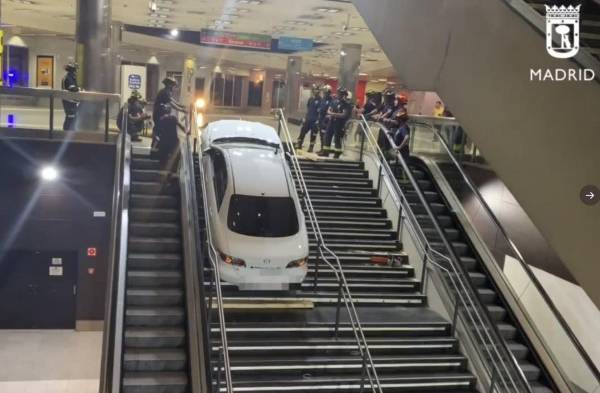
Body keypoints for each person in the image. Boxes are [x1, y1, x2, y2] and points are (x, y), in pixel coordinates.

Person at [319, 88, 352, 159]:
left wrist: (333, 114)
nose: (339, 95)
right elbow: (328, 111)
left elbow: (344, 114)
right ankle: (325, 152)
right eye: (338, 93)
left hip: (339, 123)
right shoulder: (334, 102)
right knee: (327, 136)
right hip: (331, 122)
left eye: (341, 94)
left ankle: (337, 153)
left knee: (337, 138)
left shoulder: (346, 104)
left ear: (344, 95)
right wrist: (335, 114)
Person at [153, 77, 186, 146]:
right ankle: (155, 145)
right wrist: (181, 109)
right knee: (160, 129)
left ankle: (159, 143)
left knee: (167, 127)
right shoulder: (164, 92)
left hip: (163, 114)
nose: (174, 87)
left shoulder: (167, 92)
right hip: (159, 115)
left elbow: (172, 100)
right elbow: (171, 103)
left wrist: (180, 106)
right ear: (168, 84)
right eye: (173, 85)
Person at [295, 84, 322, 152]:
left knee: (313, 134)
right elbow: (308, 109)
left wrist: (318, 120)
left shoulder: (320, 100)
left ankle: (311, 147)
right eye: (314, 90)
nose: (316, 91)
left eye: (317, 90)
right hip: (308, 119)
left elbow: (320, 112)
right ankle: (299, 144)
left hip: (315, 120)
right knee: (302, 132)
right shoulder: (310, 99)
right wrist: (305, 117)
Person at [61, 62, 80, 131]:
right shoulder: (69, 77)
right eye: (76, 69)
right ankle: (67, 131)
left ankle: (67, 131)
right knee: (70, 117)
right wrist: (80, 89)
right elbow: (72, 88)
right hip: (69, 101)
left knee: (70, 117)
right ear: (73, 69)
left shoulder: (69, 76)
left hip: (69, 100)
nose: (77, 71)